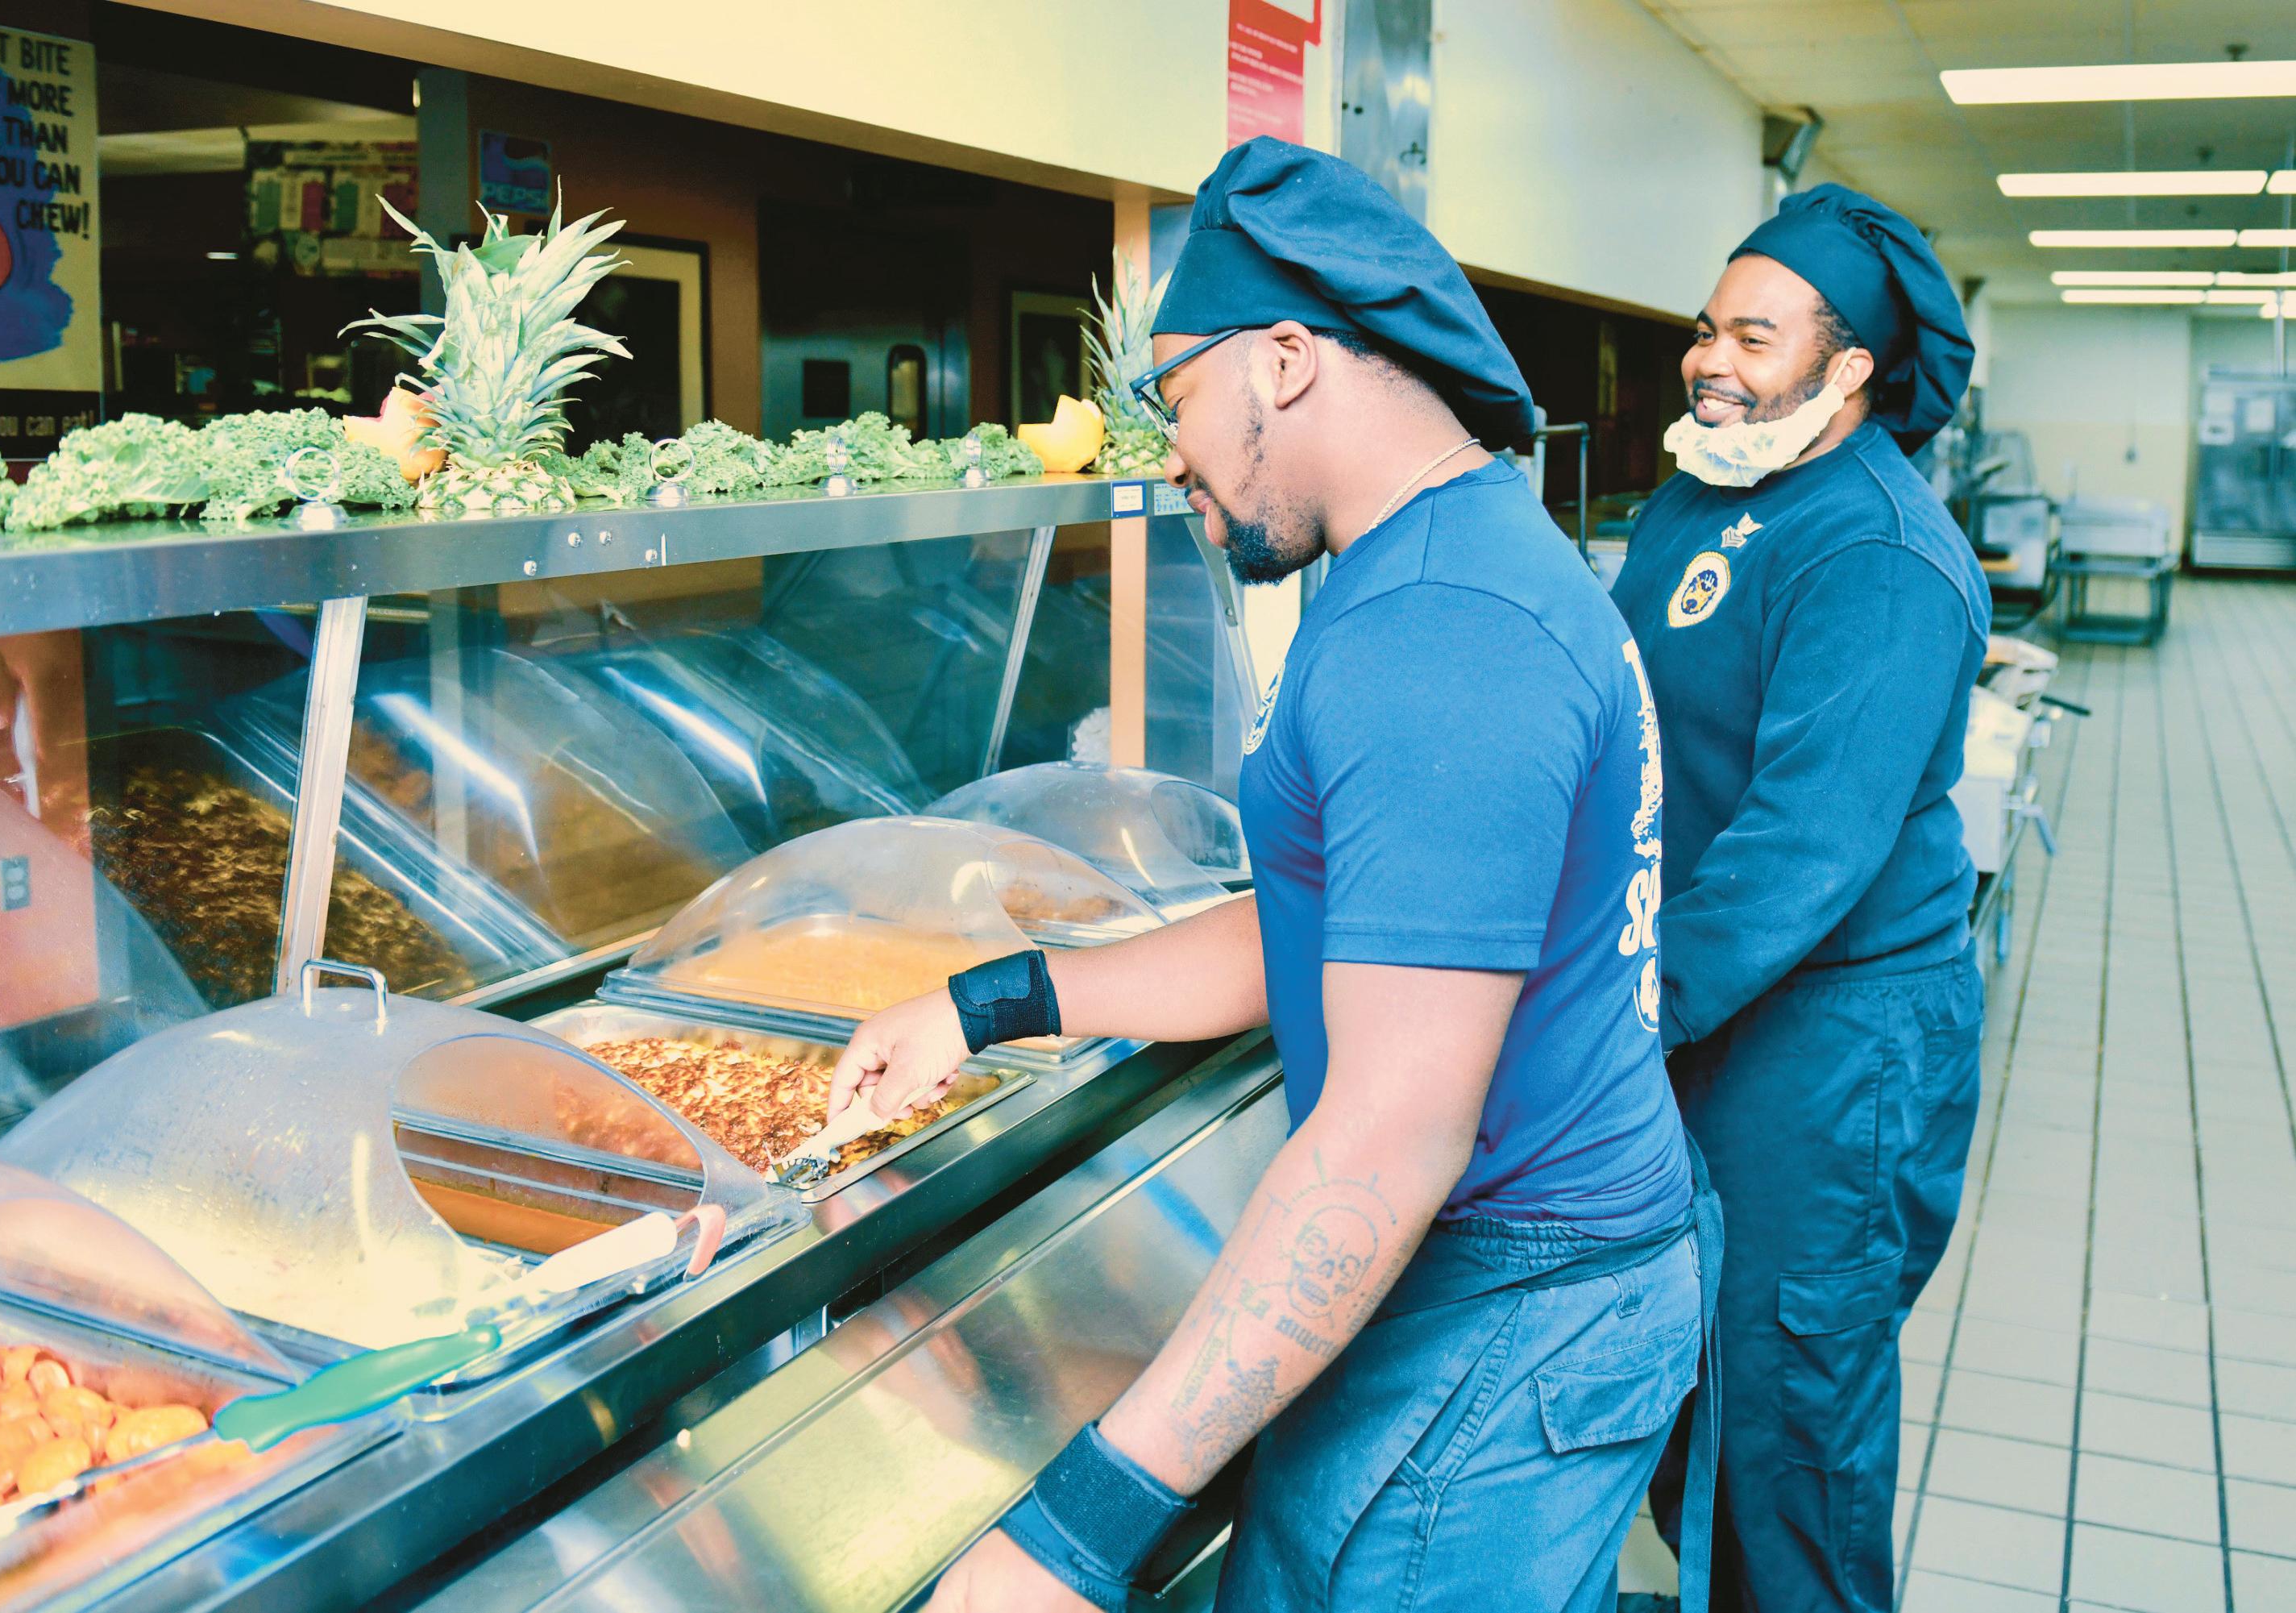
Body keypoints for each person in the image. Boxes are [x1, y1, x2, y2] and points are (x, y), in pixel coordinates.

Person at [832, 136, 1719, 1613]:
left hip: (1503, 1310)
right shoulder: (1436, 560)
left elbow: (1385, 1140)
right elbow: (1326, 927)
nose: (1168, 453)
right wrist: (991, 1003)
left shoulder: (1437, 629)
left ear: (1286, 361)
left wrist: (1076, 1529)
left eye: (1175, 397)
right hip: (1523, 1284)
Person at [1611, 184, 1990, 1613]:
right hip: (1707, 1000)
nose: (1709, 361)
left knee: (1783, 1430)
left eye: (1751, 338)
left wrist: (1612, 1017)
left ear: (1848, 370)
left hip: (1831, 1048)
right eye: (1706, 328)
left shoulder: (1877, 552)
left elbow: (1799, 850)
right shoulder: (1695, 497)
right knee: (1690, 1394)